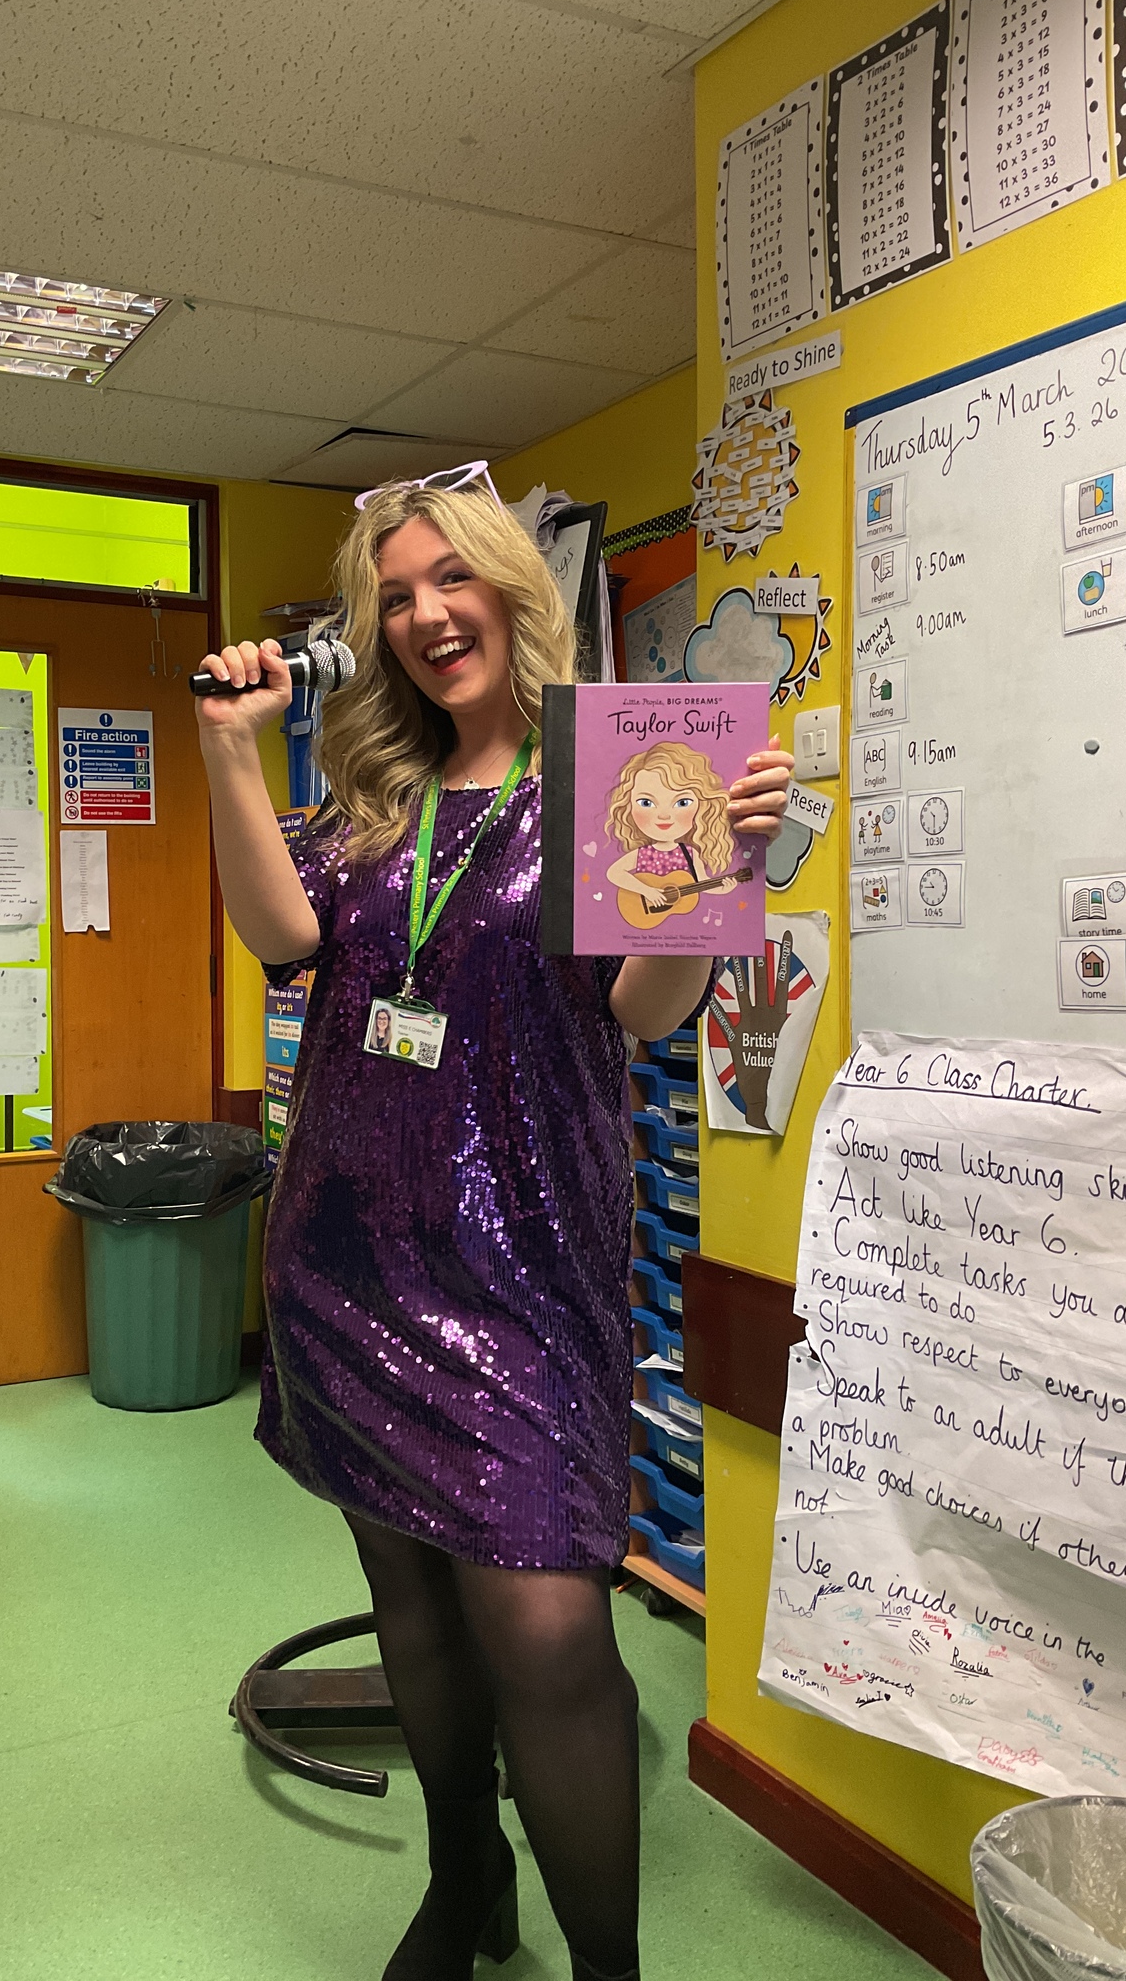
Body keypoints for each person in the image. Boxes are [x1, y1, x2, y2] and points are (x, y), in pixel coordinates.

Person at [194, 465, 793, 1981]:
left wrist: (722, 873)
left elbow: (644, 1011)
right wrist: (228, 747)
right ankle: (467, 1882)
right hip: (348, 1262)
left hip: (524, 1275)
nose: (426, 615)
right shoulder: (373, 799)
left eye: (449, 579)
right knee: (413, 1610)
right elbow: (280, 936)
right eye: (394, 596)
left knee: (550, 1635)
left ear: (512, 591)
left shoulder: (616, 773)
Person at [604, 741, 737, 914]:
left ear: (701, 807)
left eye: (682, 802)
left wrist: (722, 889)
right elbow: (613, 873)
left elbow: (701, 883)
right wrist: (647, 891)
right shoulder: (644, 854)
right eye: (646, 803)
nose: (664, 815)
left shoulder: (689, 854)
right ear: (629, 807)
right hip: (644, 912)